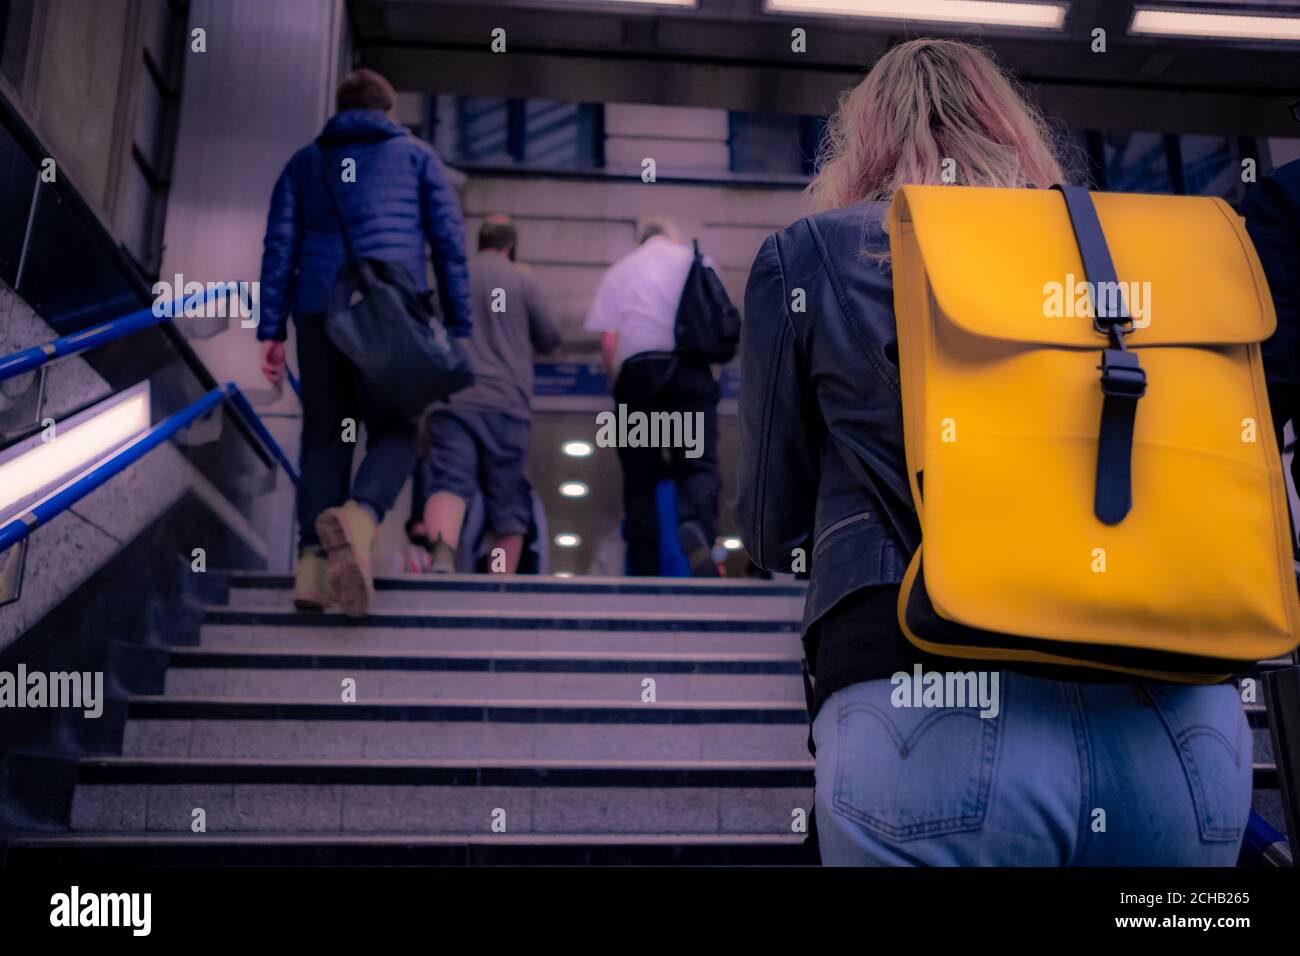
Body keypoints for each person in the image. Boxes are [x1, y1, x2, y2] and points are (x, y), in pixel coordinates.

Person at [737, 38, 1253, 866]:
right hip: (1181, 721)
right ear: (1016, 130)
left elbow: (773, 527)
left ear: (859, 139)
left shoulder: (815, 253)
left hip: (924, 711)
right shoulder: (1133, 259)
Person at [257, 68, 473, 616]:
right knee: (396, 430)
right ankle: (360, 518)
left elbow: (279, 245)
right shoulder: (419, 157)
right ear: (389, 110)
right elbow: (449, 244)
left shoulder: (304, 162)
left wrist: (270, 330)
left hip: (318, 315)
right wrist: (460, 325)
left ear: (340, 108)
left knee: (325, 435)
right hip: (390, 313)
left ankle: (312, 570)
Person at [419, 214, 562, 573]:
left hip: (453, 400)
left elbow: (424, 326)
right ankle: (499, 582)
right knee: (507, 501)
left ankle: (442, 555)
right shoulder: (520, 281)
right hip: (506, 404)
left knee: (450, 482)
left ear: (479, 242)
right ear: (510, 246)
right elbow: (550, 340)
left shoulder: (454, 276)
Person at [584, 218, 722, 576]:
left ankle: (643, 559)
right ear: (671, 237)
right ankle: (698, 533)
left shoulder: (620, 270)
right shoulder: (697, 260)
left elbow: (609, 341)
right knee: (696, 463)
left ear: (639, 239)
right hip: (689, 368)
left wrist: (620, 387)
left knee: (640, 473)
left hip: (637, 373)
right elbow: (715, 320)